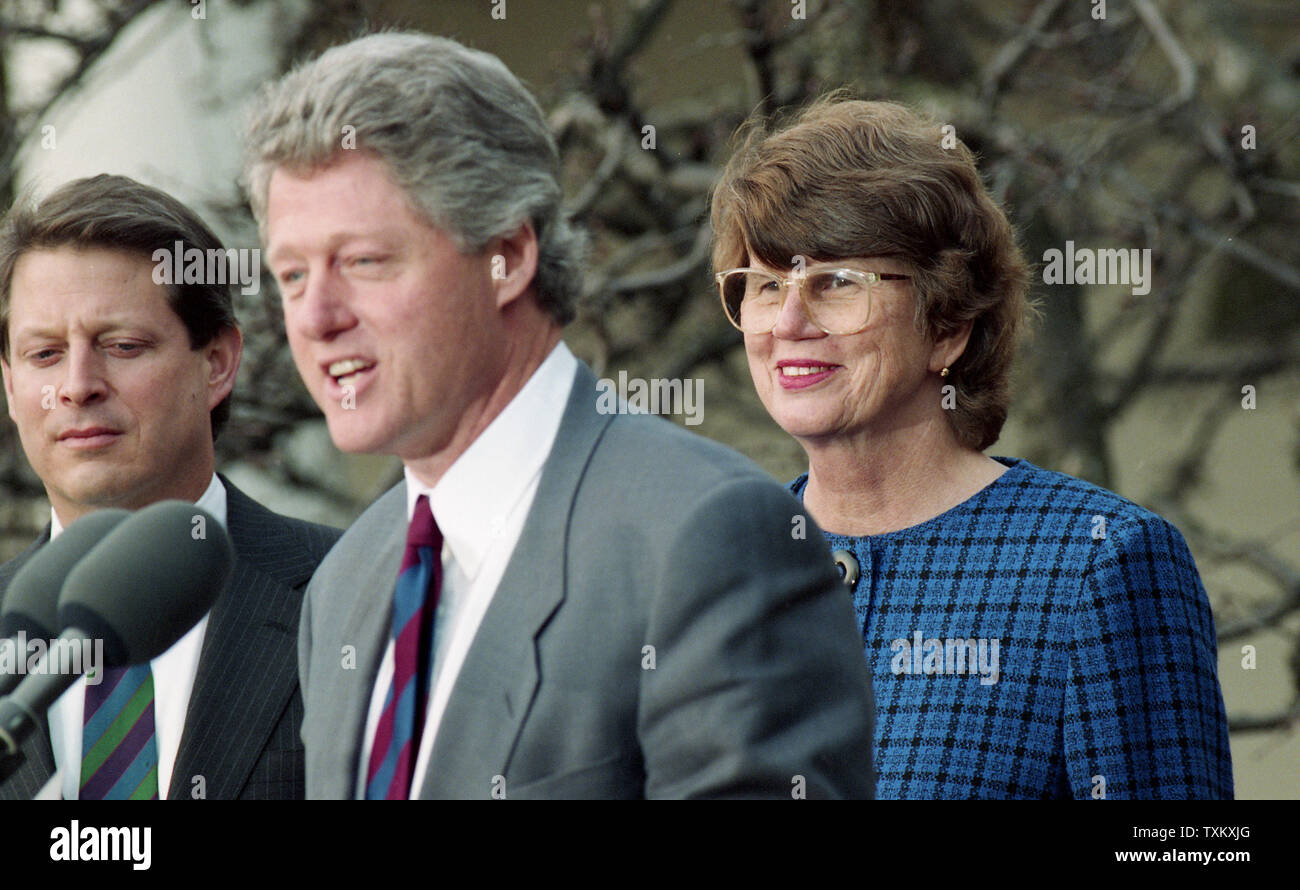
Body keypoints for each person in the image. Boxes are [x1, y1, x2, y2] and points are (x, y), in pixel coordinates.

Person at [242, 32, 876, 799]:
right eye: (291, 274)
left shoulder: (708, 538)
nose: (314, 317)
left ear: (507, 256)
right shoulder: (344, 582)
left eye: (363, 262)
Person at [709, 96, 1233, 799]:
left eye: (837, 282)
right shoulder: (711, 575)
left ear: (949, 323)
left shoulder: (1097, 566)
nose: (791, 321)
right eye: (767, 285)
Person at [0, 174, 340, 800]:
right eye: (44, 354)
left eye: (123, 345)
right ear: (10, 385)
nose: (78, 385)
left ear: (217, 364)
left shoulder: (349, 590)